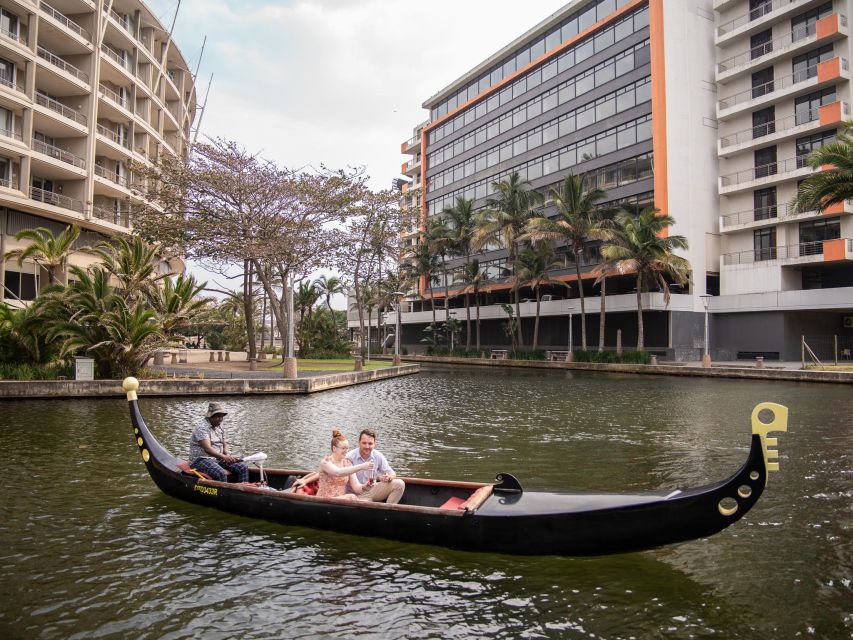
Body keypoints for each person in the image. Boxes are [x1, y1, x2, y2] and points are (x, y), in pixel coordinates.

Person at [188, 402, 249, 483]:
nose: (221, 419)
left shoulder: (219, 426)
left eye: (222, 416)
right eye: (218, 416)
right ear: (210, 416)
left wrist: (226, 453)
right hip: (200, 460)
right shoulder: (201, 428)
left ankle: (242, 491)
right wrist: (224, 457)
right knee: (221, 473)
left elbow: (225, 443)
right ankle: (224, 494)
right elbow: (208, 449)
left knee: (242, 467)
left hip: (218, 458)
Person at [346, 428, 405, 504]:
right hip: (353, 494)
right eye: (364, 443)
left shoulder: (378, 456)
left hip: (371, 491)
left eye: (370, 443)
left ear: (374, 444)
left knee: (400, 484)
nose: (367, 446)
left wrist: (389, 478)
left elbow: (392, 474)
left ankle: (387, 512)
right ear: (359, 443)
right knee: (362, 501)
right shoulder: (349, 456)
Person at [311, 430, 374, 499]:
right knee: (351, 496)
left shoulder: (347, 463)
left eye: (347, 448)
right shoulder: (326, 462)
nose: (346, 451)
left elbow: (356, 487)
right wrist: (362, 466)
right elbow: (337, 472)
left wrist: (366, 486)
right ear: (334, 448)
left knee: (361, 497)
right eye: (343, 448)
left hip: (340, 501)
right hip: (324, 500)